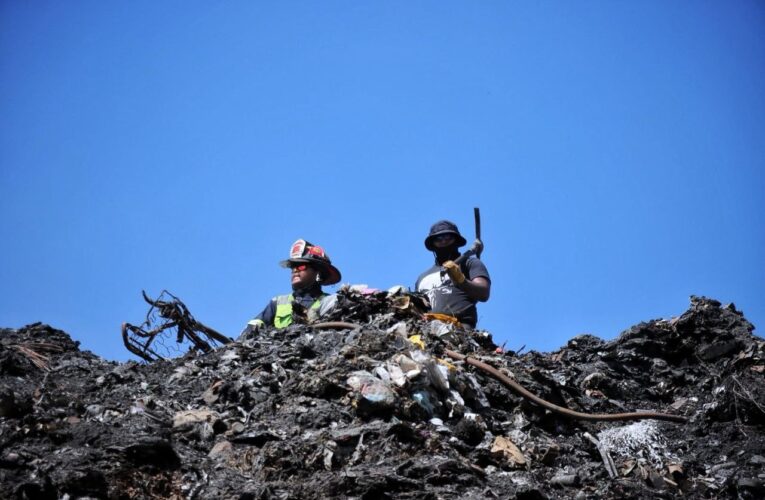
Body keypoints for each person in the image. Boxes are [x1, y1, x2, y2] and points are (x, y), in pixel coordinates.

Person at [240, 239, 341, 337]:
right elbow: (255, 325)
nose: (295, 270)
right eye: (293, 267)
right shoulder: (277, 302)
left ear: (318, 272)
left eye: (301, 266)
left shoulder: (330, 302)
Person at [415, 220, 490, 328]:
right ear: (433, 244)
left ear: (456, 241)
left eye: (448, 238)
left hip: (460, 329)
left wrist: (461, 281)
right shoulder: (422, 278)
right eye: (439, 239)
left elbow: (483, 293)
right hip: (428, 331)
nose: (443, 242)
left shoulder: (470, 263)